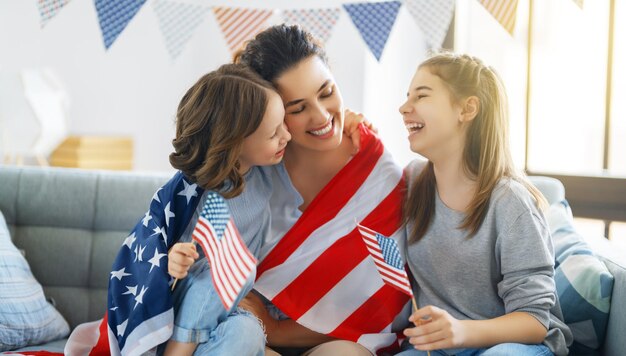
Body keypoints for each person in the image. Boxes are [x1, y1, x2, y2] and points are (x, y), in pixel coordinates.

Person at [235, 24, 411, 355]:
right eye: (298, 108)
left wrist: (276, 331)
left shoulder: (377, 171)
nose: (321, 117)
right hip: (250, 336)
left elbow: (378, 311)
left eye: (327, 92)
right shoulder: (253, 171)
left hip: (337, 343)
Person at [102, 63, 291, 356]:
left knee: (247, 333)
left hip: (225, 318)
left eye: (284, 125)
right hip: (181, 312)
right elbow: (156, 244)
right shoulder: (191, 192)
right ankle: (178, 349)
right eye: (273, 134)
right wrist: (172, 259)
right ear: (235, 141)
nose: (286, 137)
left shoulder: (267, 172)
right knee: (221, 273)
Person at [397, 53, 573, 355]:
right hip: (442, 348)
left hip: (515, 344)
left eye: (422, 95)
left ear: (467, 109)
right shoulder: (411, 181)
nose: (403, 108)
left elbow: (534, 320)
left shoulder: (510, 202)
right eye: (406, 96)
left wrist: (460, 331)